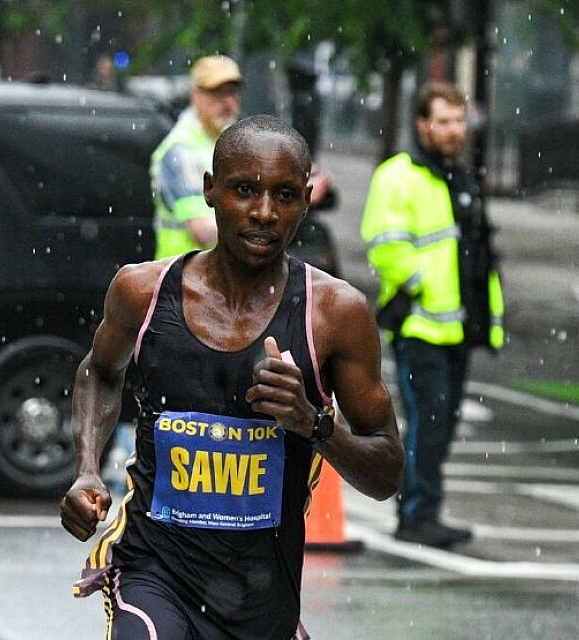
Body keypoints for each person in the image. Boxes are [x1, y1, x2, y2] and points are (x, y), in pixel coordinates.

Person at [61, 115, 404, 639]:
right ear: (210, 190)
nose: (264, 212)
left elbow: (387, 472)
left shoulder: (335, 314)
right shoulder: (142, 292)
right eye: (245, 190)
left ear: (306, 200)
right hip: (154, 570)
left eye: (285, 195)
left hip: (262, 596)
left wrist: (312, 423)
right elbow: (100, 372)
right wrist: (87, 468)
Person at [360, 81, 505, 549]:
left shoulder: (457, 177)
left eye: (459, 121)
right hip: (421, 325)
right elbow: (385, 247)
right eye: (443, 121)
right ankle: (416, 513)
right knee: (428, 421)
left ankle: (426, 510)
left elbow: (476, 251)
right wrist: (420, 284)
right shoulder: (398, 176)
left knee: (442, 424)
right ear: (422, 124)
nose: (454, 130)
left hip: (457, 326)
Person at [152, 54, 332, 260]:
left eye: (233, 92)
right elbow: (202, 230)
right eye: (218, 93)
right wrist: (294, 204)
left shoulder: (234, 144)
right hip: (184, 274)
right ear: (195, 96)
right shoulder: (181, 150)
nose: (228, 102)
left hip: (221, 273)